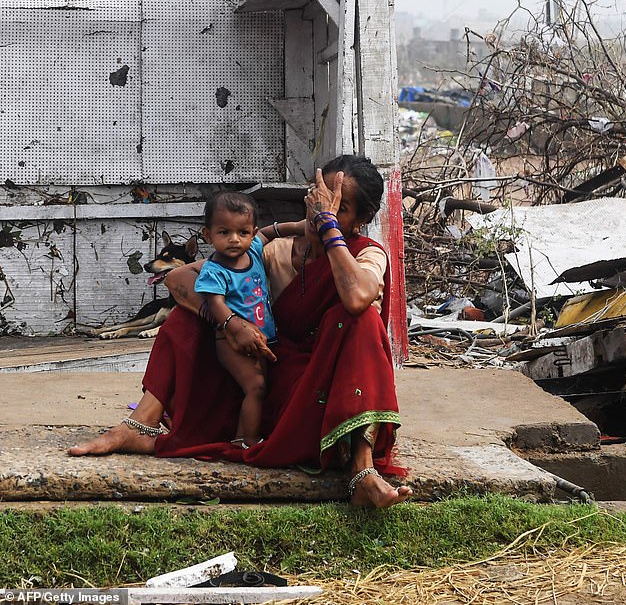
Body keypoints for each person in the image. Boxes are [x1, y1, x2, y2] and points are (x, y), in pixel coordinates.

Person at [68, 155, 412, 508]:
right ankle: (140, 425)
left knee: (362, 320)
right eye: (319, 199)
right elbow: (179, 278)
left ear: (362, 220)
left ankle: (362, 470)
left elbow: (356, 298)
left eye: (339, 209)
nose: (320, 212)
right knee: (191, 314)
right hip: (262, 378)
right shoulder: (272, 250)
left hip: (322, 396)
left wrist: (327, 229)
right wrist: (230, 322)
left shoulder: (367, 256)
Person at [194, 191, 300, 449]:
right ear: (208, 235)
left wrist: (298, 226)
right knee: (257, 387)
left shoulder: (253, 251)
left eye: (242, 232)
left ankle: (241, 436)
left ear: (251, 234)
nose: (234, 240)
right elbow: (215, 303)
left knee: (260, 387)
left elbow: (269, 233)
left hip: (263, 339)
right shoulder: (214, 270)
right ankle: (250, 441)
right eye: (224, 232)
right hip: (231, 341)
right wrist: (233, 327)